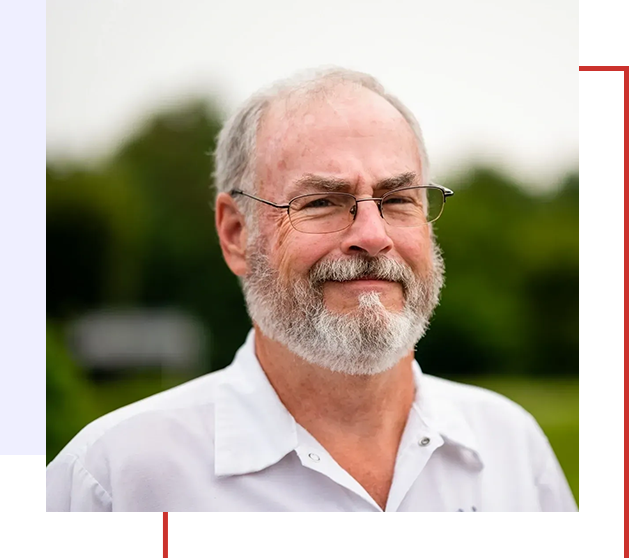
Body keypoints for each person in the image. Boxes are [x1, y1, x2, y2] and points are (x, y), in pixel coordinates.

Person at [46, 67, 576, 514]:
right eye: (321, 201)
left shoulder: (512, 452)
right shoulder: (117, 481)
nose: (373, 236)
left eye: (397, 199)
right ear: (235, 234)